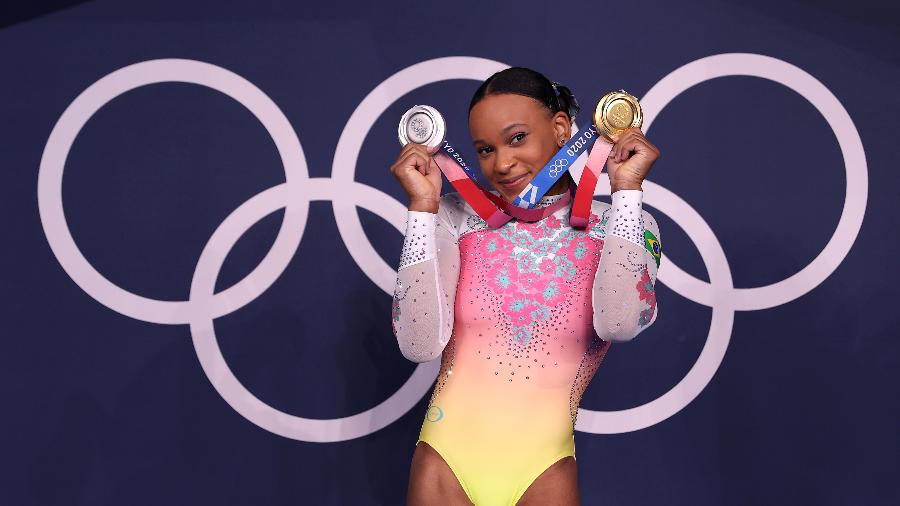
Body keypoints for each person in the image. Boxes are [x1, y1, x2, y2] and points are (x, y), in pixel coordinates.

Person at [389, 67, 663, 506]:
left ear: (559, 129)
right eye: (485, 149)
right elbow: (418, 344)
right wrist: (422, 209)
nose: (501, 163)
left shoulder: (620, 227)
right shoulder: (455, 219)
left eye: (517, 138)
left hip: (543, 468)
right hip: (445, 462)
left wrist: (627, 191)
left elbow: (620, 321)